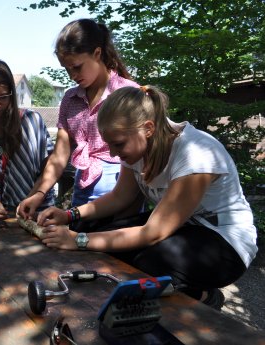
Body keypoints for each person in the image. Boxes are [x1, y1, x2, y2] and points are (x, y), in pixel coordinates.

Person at [37, 85, 258, 310]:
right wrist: (69, 215)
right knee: (99, 234)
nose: (113, 154)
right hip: (184, 227)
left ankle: (203, 296)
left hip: (225, 241)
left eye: (118, 144)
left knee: (148, 261)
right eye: (109, 145)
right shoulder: (137, 147)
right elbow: (119, 197)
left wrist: (77, 240)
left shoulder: (196, 153)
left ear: (148, 128)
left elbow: (153, 233)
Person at [18, 18, 141, 222]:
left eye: (77, 67)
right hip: (82, 195)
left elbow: (142, 158)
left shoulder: (128, 94)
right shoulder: (70, 99)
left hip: (120, 198)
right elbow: (59, 157)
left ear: (97, 53)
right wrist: (38, 194)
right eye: (66, 69)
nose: (72, 75)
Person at [0, 59, 55, 220]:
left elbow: (49, 168)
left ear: (12, 94)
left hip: (43, 211)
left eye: (3, 97)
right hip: (9, 213)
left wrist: (34, 196)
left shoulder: (32, 121)